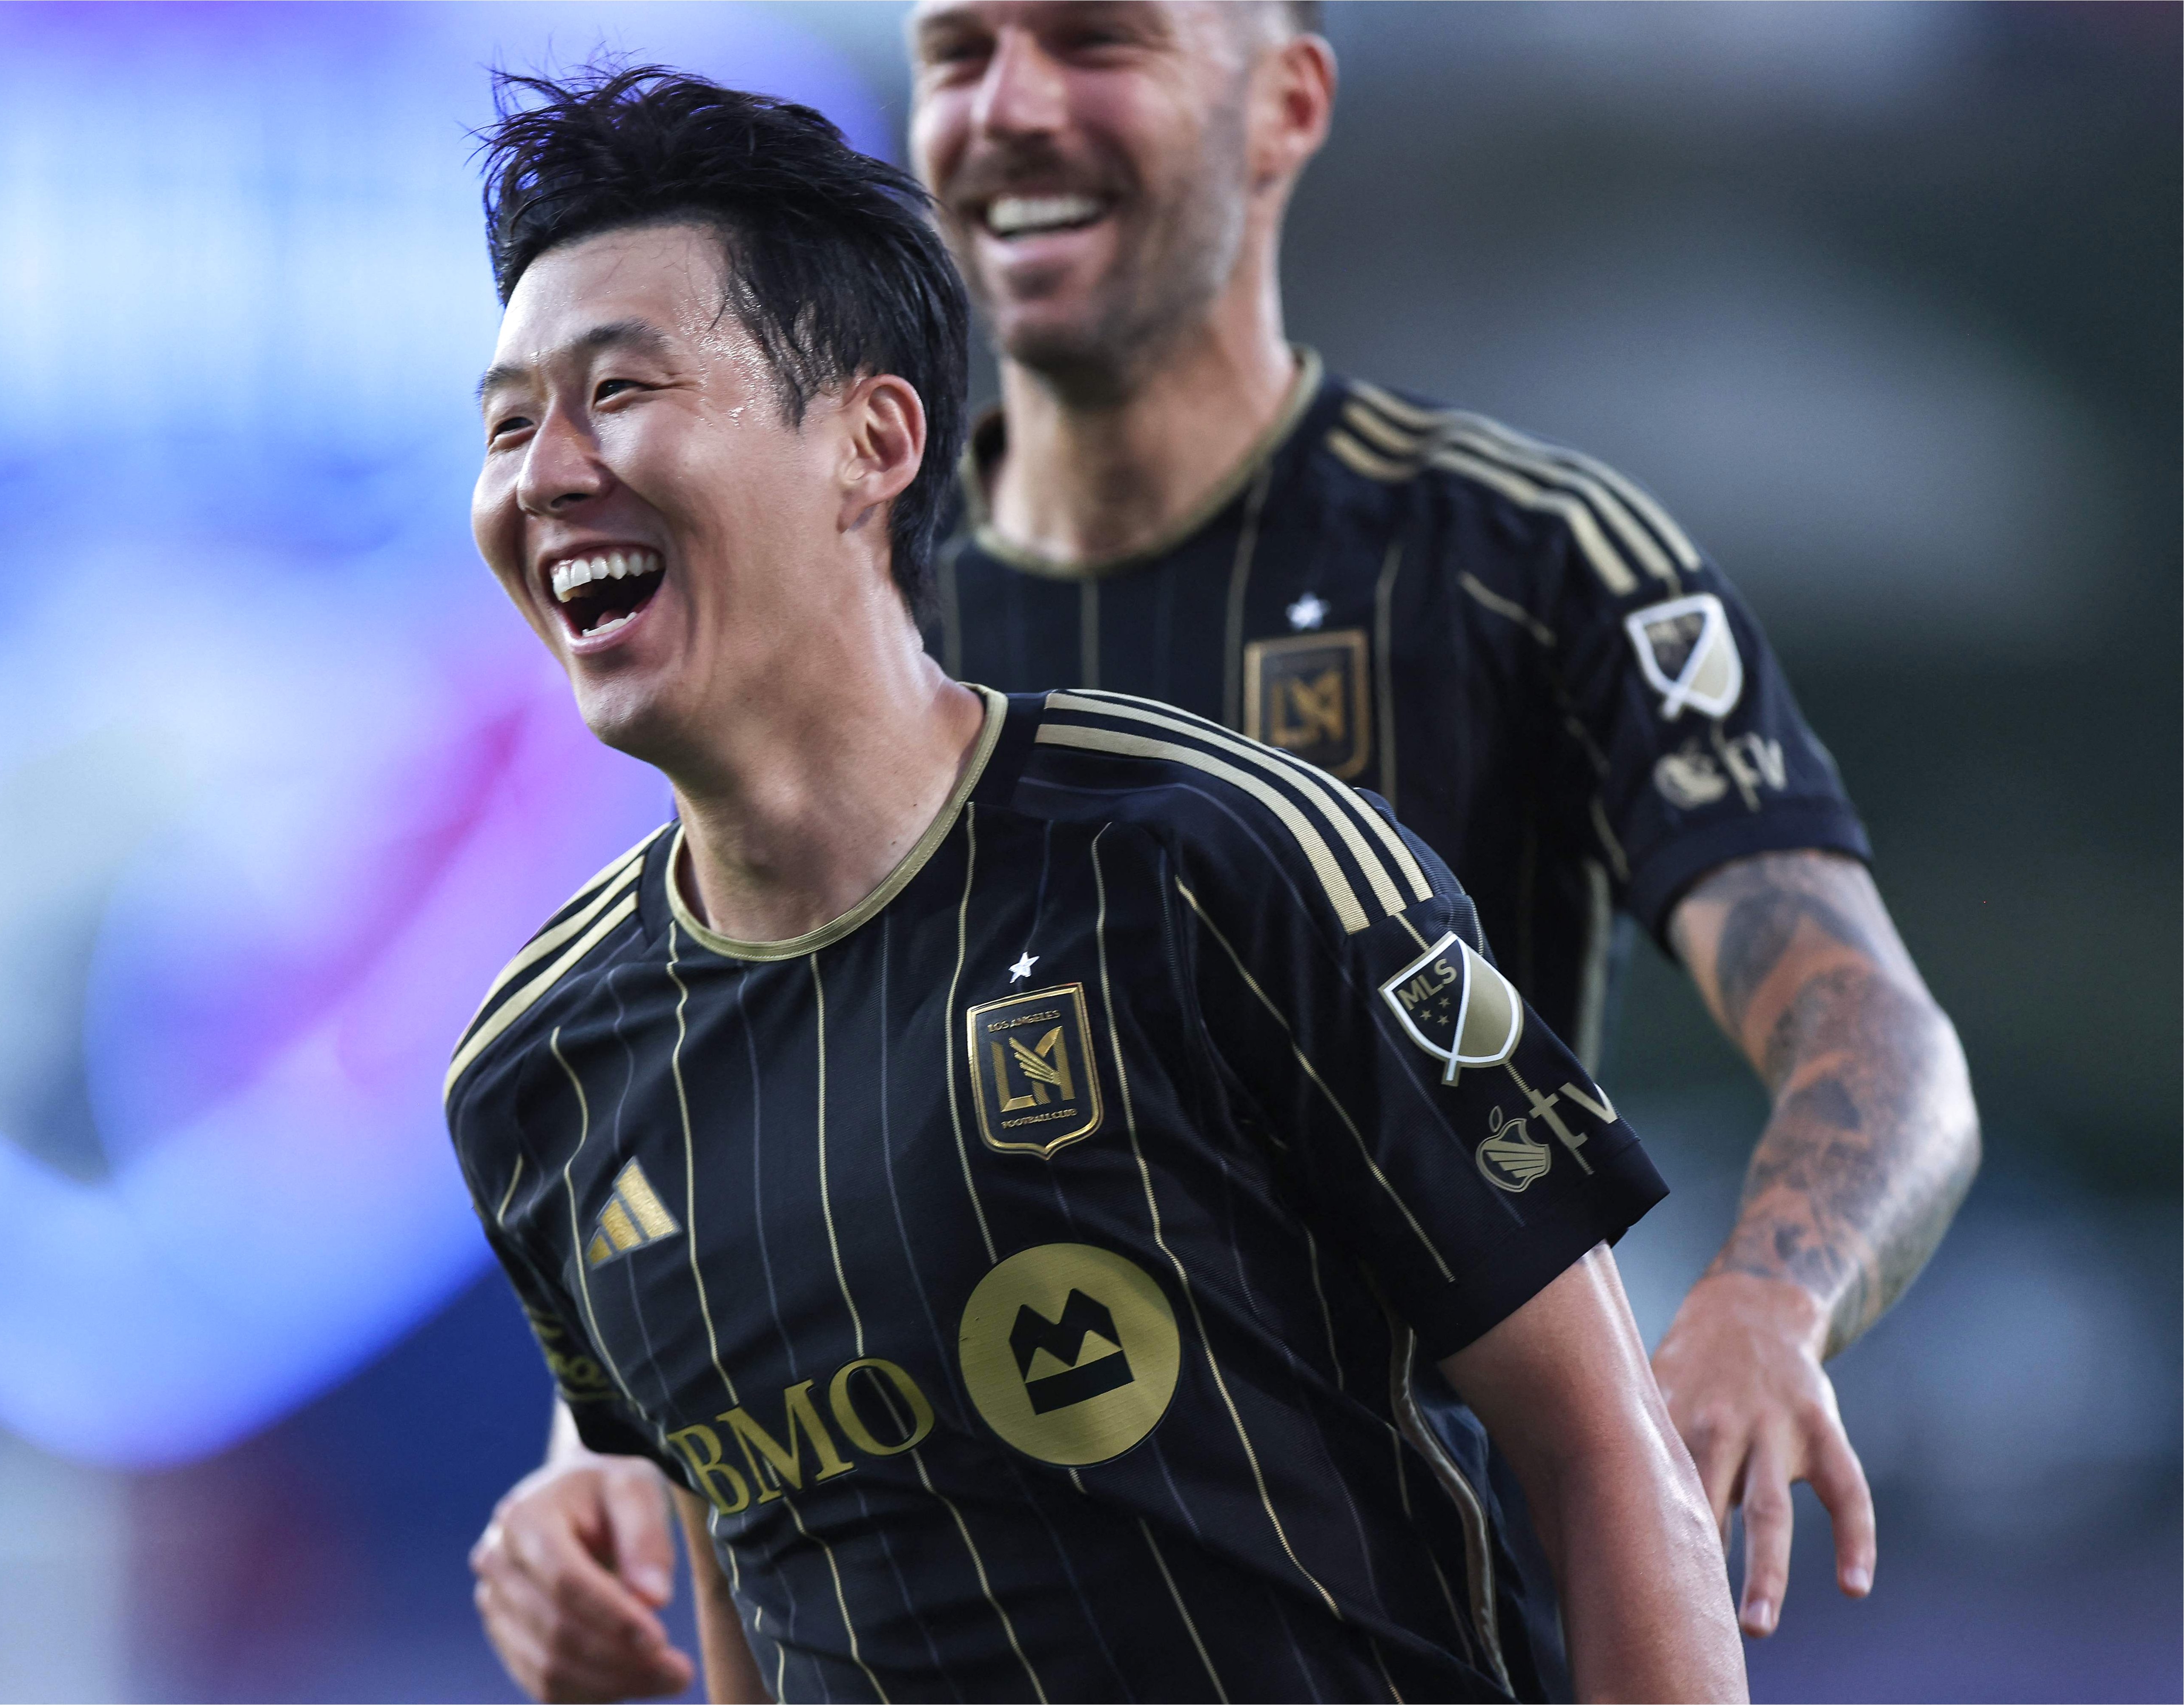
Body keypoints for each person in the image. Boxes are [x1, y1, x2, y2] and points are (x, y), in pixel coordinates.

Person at [475, 4, 1982, 1691]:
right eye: (959, 53)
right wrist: (592, 1452)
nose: (1010, 106)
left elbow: (1872, 1025)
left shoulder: (1511, 565)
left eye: (1093, 40)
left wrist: (1765, 1303)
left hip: (1476, 1612)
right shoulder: (786, 595)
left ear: (1286, 103)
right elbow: (742, 1108)